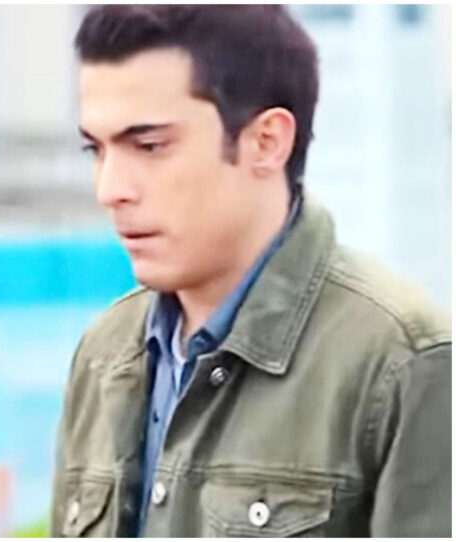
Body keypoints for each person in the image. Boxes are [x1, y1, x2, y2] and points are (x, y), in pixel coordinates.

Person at [52, 5, 450, 537]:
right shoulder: (103, 354)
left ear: (267, 142)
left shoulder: (405, 361)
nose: (110, 189)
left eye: (149, 147)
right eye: (95, 149)